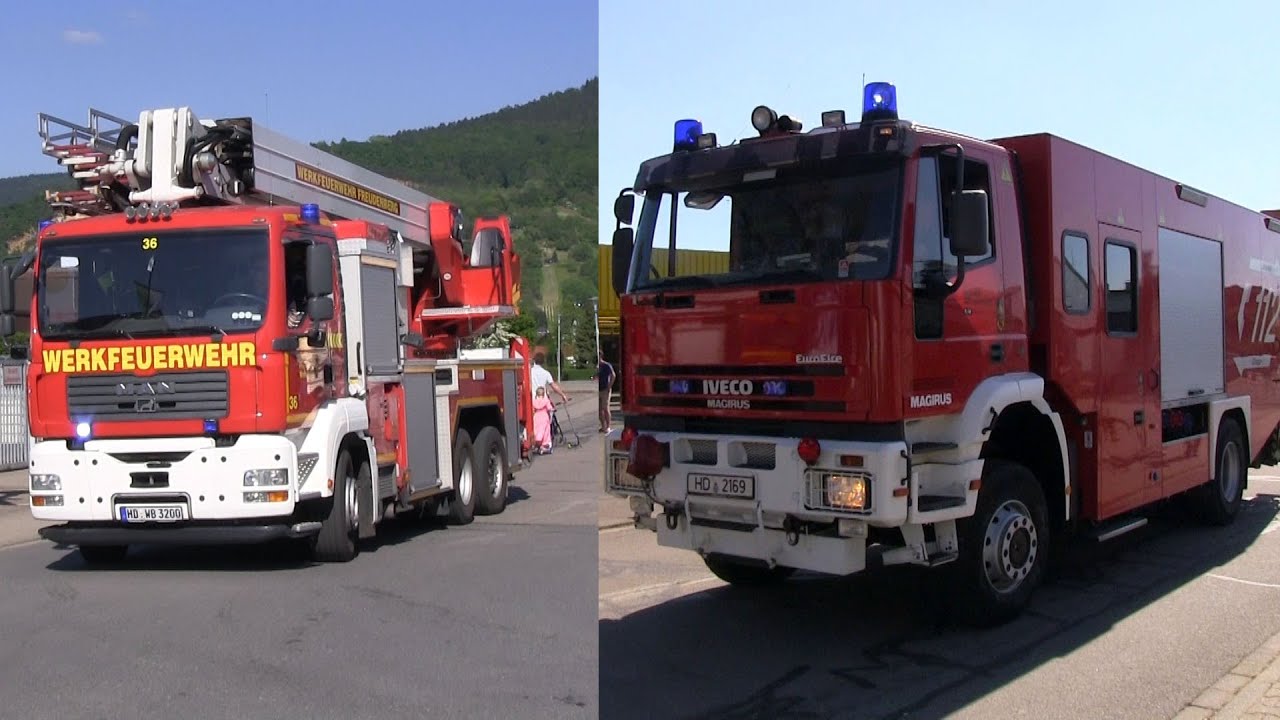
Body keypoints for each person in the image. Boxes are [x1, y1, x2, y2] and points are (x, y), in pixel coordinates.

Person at [532, 386, 554, 454]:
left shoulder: (534, 401)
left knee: (537, 429)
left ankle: (537, 441)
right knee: (546, 431)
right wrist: (551, 412)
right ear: (543, 394)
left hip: (536, 416)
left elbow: (533, 409)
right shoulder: (546, 401)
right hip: (544, 416)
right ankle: (545, 444)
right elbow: (550, 409)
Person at [597, 352, 615, 433]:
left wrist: (609, 386)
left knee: (605, 408)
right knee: (599, 410)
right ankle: (603, 426)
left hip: (605, 389)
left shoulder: (606, 365)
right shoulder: (597, 367)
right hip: (598, 389)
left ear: (601, 356)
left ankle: (608, 426)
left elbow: (613, 375)